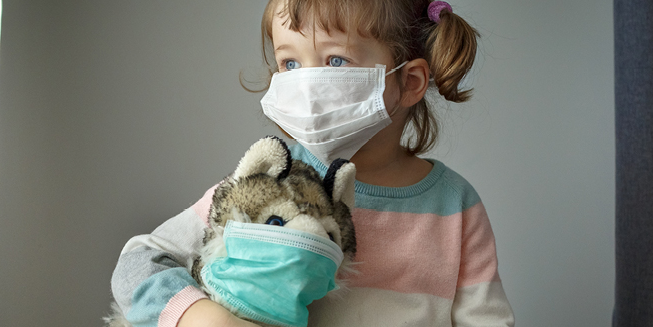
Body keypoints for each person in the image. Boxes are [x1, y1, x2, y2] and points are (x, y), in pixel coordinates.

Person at [109, 0, 515, 326]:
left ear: (409, 82)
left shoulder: (456, 205)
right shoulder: (266, 183)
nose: (306, 83)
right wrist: (202, 317)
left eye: (336, 60)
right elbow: (138, 261)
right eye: (290, 64)